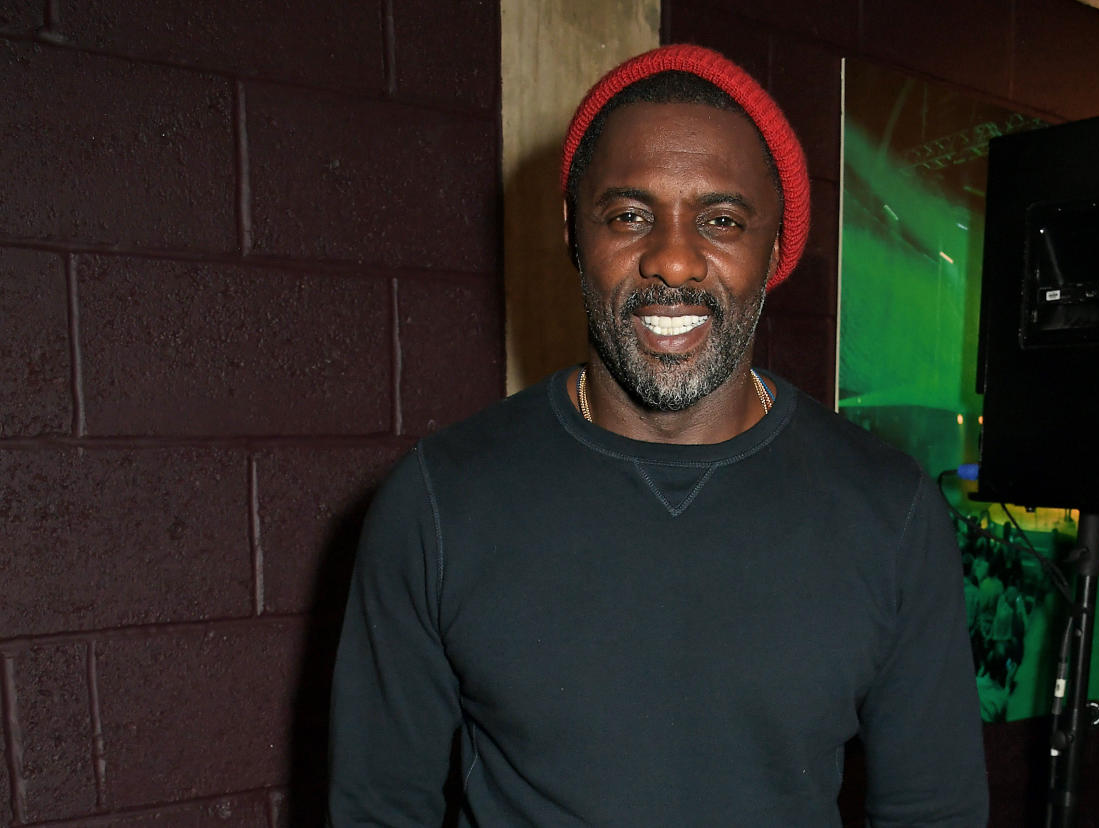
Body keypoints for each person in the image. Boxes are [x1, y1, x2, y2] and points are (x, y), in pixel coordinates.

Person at [328, 44, 988, 826]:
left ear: (776, 248)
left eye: (721, 220)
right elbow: (376, 809)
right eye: (630, 215)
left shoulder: (890, 510)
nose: (672, 260)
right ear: (574, 233)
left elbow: (933, 811)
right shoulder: (440, 499)